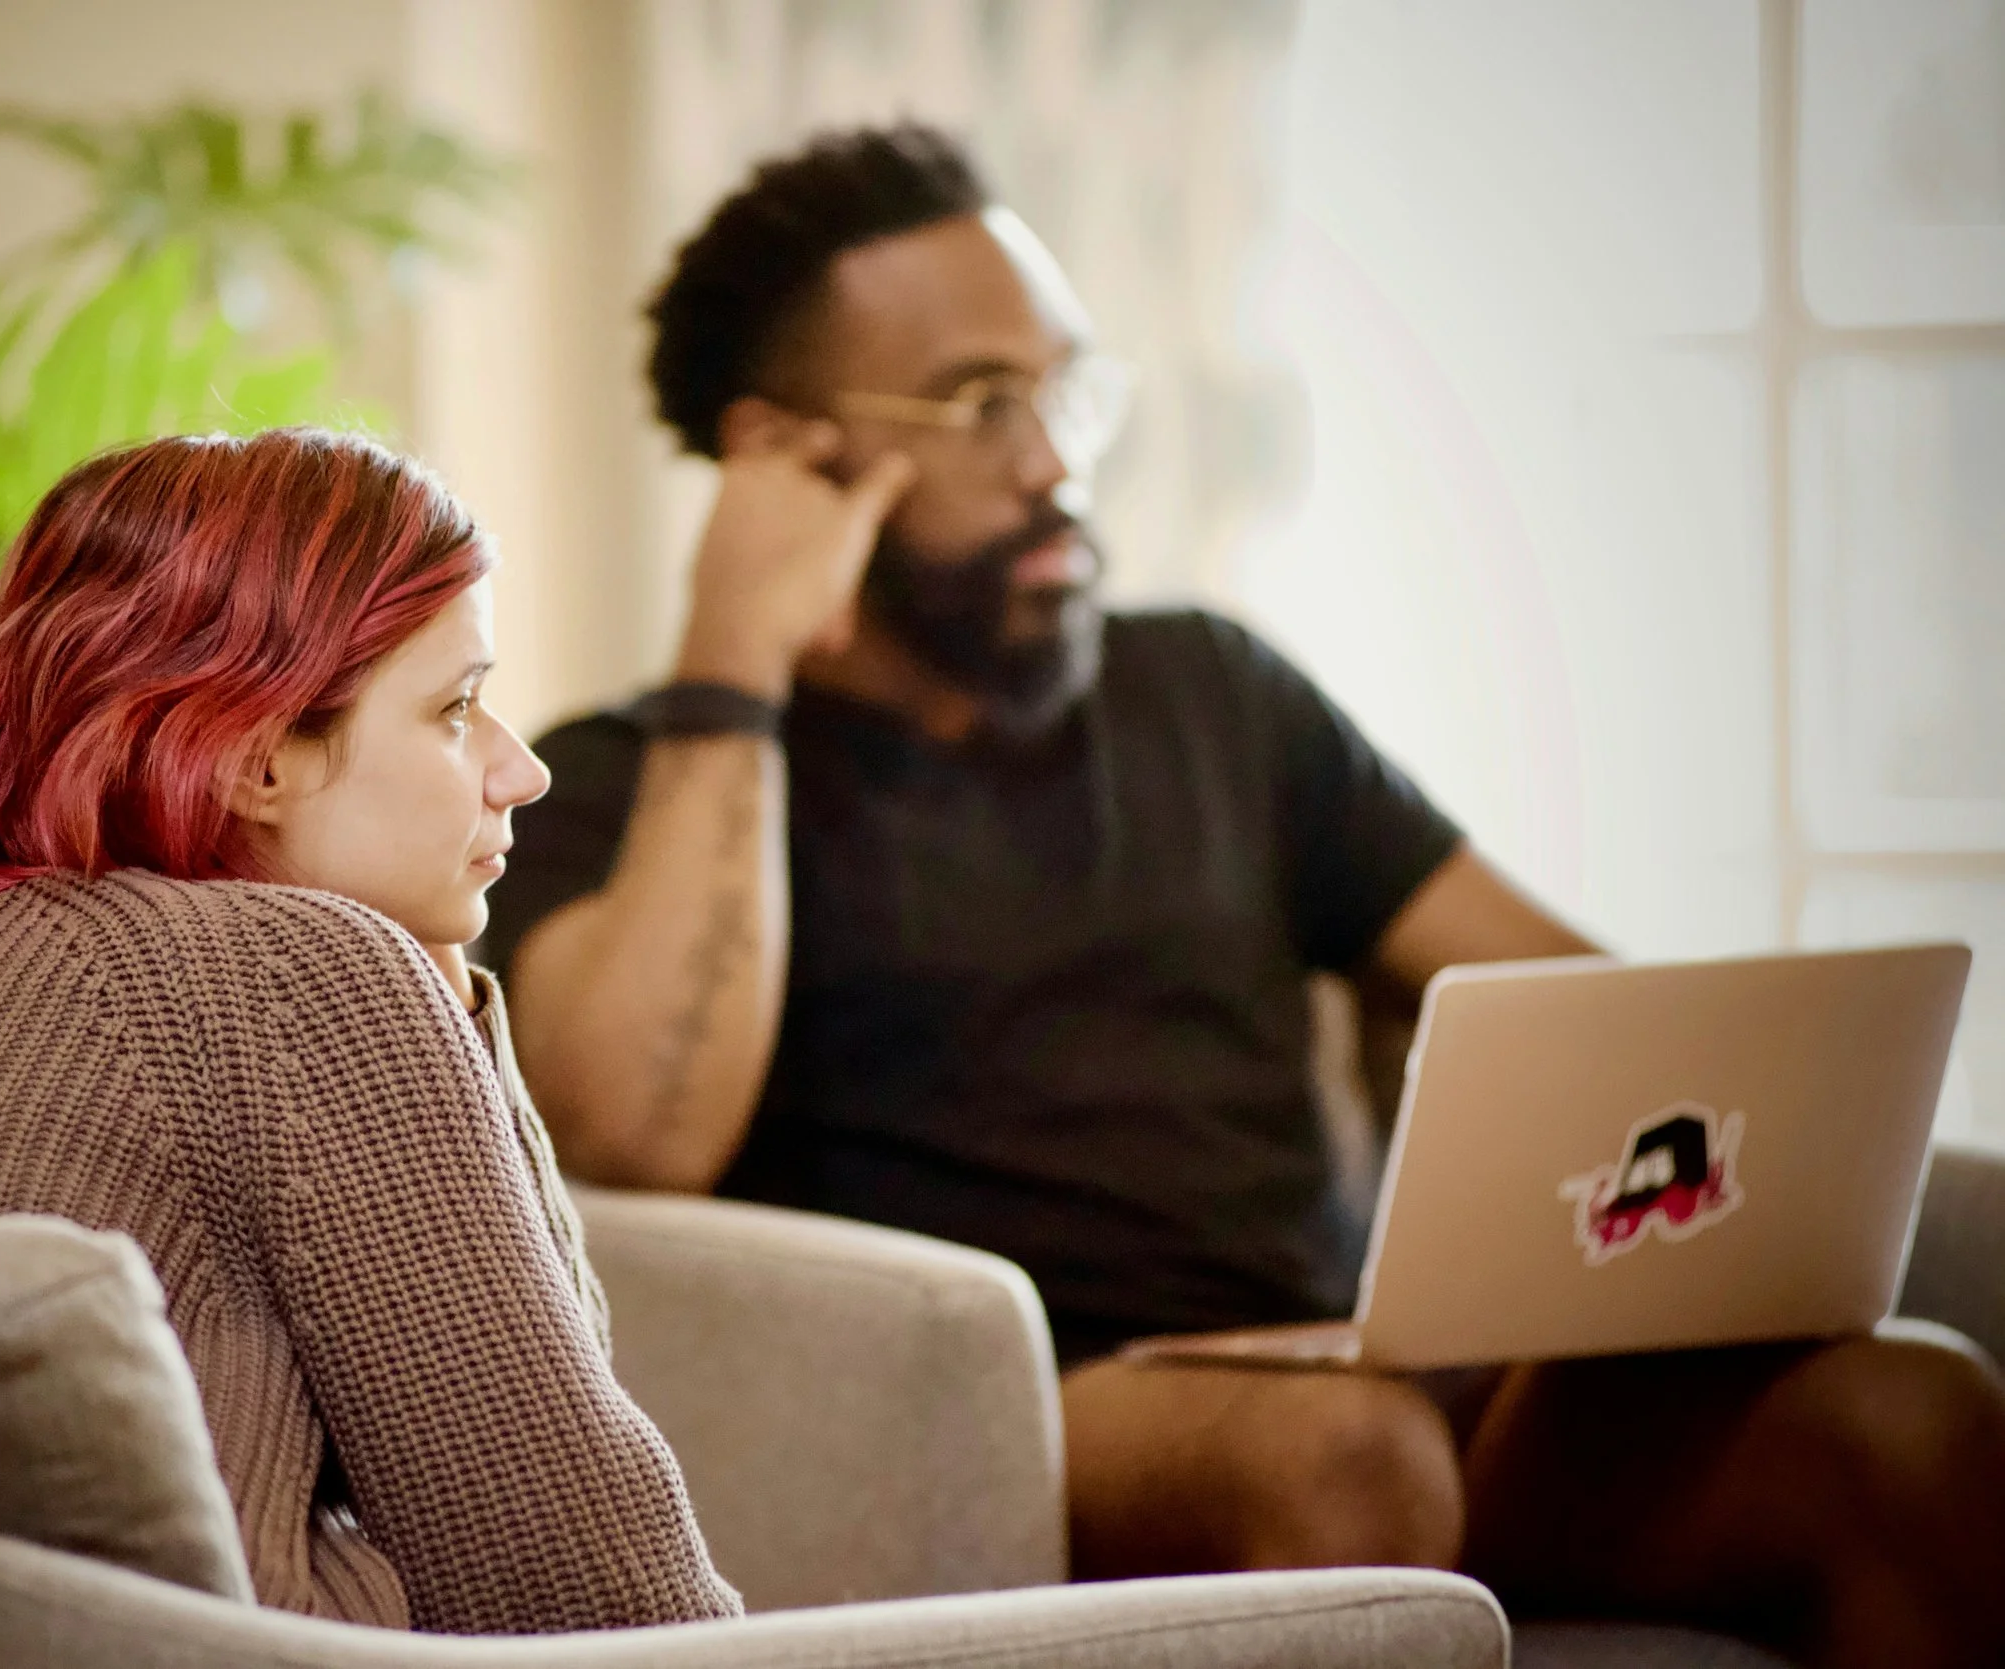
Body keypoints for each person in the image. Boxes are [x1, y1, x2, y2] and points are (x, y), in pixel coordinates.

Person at [481, 126, 2005, 1668]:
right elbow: (634, 1133)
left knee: (1908, 1411)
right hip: (1025, 1419)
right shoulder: (627, 779)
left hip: (1361, 1382)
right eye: (980, 405)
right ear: (784, 456)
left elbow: (1583, 1016)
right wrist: (730, 658)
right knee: (1348, 1459)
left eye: (1068, 388)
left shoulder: (1211, 689)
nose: (1057, 460)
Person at [0, 428, 741, 1637]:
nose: (520, 772)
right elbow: (586, 1589)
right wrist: (420, 979)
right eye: (457, 708)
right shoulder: (298, 978)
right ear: (254, 757)